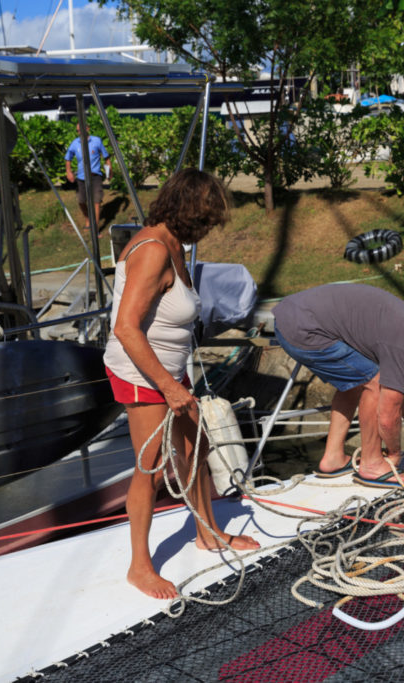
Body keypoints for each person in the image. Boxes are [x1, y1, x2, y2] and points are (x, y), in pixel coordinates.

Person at [103, 169, 258, 600]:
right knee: (151, 467)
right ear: (190, 211)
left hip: (170, 370)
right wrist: (169, 389)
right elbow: (126, 328)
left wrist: (177, 381)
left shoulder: (175, 245)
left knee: (197, 450)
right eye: (207, 218)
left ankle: (208, 535)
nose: (209, 228)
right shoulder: (153, 250)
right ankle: (139, 566)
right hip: (141, 373)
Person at [272, 283, 404, 489]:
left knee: (357, 379)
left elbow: (399, 381)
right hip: (302, 330)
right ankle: (372, 465)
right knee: (373, 382)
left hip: (292, 316)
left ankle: (333, 459)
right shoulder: (403, 344)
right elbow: (388, 419)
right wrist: (394, 453)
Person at [64, 123, 111, 236]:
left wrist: (109, 170)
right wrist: (68, 171)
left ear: (87, 128)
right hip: (81, 177)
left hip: (95, 176)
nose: (80, 132)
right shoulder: (75, 143)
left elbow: (106, 157)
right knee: (81, 201)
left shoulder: (97, 141)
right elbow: (68, 158)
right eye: (78, 131)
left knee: (96, 202)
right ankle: (87, 219)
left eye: (81, 129)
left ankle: (95, 230)